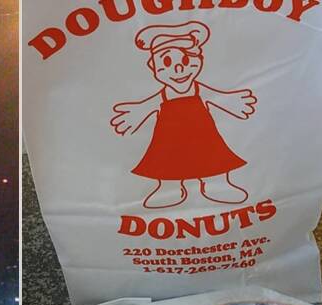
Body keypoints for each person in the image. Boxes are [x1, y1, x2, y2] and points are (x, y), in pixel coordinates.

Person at [110, 21, 257, 209]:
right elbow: (152, 103)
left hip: (203, 133)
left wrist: (231, 101)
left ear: (199, 60)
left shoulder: (198, 89)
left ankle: (217, 183)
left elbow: (213, 96)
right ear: (153, 67)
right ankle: (168, 187)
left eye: (186, 60)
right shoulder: (164, 95)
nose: (178, 69)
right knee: (166, 159)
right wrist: (138, 112)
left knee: (212, 154)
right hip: (169, 136)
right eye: (167, 62)